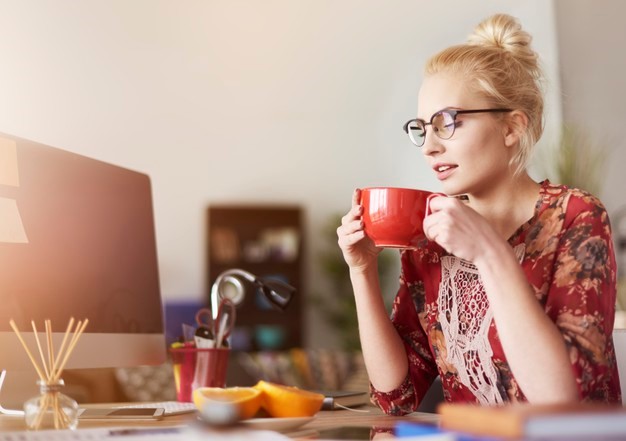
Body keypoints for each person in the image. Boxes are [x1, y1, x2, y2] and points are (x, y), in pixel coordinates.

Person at [337, 13, 621, 414]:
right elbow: (396, 397)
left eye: (447, 122)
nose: (429, 146)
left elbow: (563, 401)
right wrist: (361, 271)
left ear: (511, 128)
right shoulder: (432, 236)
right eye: (422, 127)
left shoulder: (576, 217)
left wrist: (489, 253)